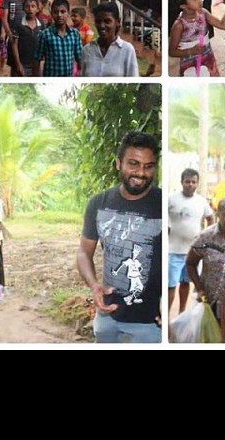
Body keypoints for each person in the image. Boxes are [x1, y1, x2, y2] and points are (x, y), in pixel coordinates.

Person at [77, 131, 162, 343]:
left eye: (148, 166)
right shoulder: (99, 203)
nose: (141, 173)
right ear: (118, 163)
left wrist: (168, 304)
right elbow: (83, 252)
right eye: (133, 164)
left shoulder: (164, 206)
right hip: (107, 314)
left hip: (150, 323)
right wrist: (94, 285)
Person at [186, 197, 225, 326]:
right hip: (210, 300)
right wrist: (200, 289)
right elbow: (190, 264)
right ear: (218, 213)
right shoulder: (205, 236)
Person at [167, 169, 214, 315]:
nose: (190, 185)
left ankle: (181, 313)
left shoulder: (201, 201)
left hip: (192, 252)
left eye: (193, 182)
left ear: (197, 184)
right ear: (182, 182)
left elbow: (210, 218)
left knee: (185, 283)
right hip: (173, 250)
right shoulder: (171, 199)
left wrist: (205, 237)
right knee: (171, 285)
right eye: (187, 181)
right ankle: (166, 316)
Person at [168, 0, 225, 77]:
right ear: (183, 5)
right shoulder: (179, 25)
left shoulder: (203, 13)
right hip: (190, 61)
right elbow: (172, 52)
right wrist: (191, 51)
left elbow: (222, 25)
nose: (200, 0)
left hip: (207, 57)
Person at [80, 2, 138, 77]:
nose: (102, 26)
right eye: (98, 21)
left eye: (107, 21)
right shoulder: (87, 50)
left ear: (117, 22)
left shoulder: (127, 50)